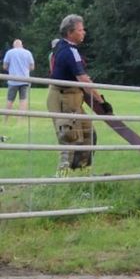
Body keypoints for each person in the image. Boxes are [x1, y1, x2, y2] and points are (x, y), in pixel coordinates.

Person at [48, 15, 107, 177]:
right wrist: (101, 102)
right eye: (80, 30)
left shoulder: (61, 46)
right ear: (70, 32)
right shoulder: (70, 51)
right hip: (63, 98)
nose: (84, 32)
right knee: (69, 137)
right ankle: (63, 177)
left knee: (88, 134)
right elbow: (84, 80)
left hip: (72, 98)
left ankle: (82, 174)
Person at [3, 38, 35, 122]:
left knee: (10, 99)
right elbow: (32, 67)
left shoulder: (9, 52)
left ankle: (6, 118)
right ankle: (20, 119)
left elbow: (5, 66)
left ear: (13, 45)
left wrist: (11, 69)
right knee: (23, 99)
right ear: (22, 45)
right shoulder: (28, 53)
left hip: (13, 80)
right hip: (25, 80)